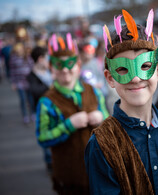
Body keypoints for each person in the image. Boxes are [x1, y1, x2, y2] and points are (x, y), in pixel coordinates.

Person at [84, 9, 158, 194]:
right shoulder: (101, 144)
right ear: (110, 77)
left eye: (145, 66)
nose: (135, 79)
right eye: (122, 69)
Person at [36, 33, 108, 194]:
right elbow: (42, 138)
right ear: (51, 67)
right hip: (69, 178)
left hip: (100, 172)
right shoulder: (46, 102)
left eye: (70, 63)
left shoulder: (94, 91)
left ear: (79, 65)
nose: (65, 69)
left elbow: (108, 121)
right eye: (59, 65)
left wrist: (101, 118)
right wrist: (68, 125)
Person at [27, 46, 53, 172]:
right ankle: (49, 161)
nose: (48, 59)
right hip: (41, 110)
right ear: (40, 58)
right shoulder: (32, 75)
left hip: (55, 109)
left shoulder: (50, 70)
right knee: (46, 135)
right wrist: (50, 88)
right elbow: (34, 91)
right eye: (46, 57)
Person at [9, 42, 34, 124]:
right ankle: (25, 115)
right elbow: (12, 71)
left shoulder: (27, 57)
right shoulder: (13, 58)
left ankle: (32, 113)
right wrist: (13, 83)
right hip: (19, 82)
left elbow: (32, 67)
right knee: (23, 99)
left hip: (28, 82)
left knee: (30, 99)